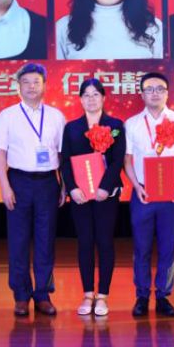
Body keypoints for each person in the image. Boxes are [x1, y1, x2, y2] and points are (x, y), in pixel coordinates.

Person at [0, 63, 66, 316]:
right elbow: (0, 154)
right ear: (18, 87)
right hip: (19, 181)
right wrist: (4, 187)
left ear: (44, 85)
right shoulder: (8, 116)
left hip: (48, 183)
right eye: (26, 82)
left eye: (36, 82)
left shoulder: (56, 116)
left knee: (46, 240)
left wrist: (63, 185)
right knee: (18, 241)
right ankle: (21, 295)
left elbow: (62, 155)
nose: (31, 87)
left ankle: (43, 294)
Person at [122, 72, 174, 317]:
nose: (154, 93)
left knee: (167, 246)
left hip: (170, 193)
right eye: (149, 89)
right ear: (141, 94)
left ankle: (163, 295)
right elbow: (127, 160)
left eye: (160, 88)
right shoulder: (132, 123)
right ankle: (142, 295)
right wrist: (136, 186)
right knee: (141, 247)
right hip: (143, 193)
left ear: (167, 93)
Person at [61, 78, 126, 317]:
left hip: (105, 195)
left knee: (105, 242)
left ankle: (103, 296)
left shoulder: (115, 125)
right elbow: (65, 161)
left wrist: (105, 187)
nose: (91, 99)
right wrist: (71, 188)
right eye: (86, 95)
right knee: (85, 242)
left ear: (103, 98)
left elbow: (117, 160)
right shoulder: (71, 128)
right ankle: (88, 294)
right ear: (80, 99)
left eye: (95, 95)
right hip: (80, 196)